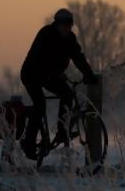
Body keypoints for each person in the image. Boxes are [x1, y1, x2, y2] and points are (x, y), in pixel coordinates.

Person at [20, 8, 98, 159]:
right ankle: (29, 143)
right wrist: (55, 73)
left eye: (69, 25)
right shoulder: (46, 34)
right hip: (32, 73)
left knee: (67, 95)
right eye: (63, 25)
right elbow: (40, 58)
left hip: (51, 75)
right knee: (40, 104)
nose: (66, 28)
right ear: (56, 24)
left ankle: (63, 132)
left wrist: (89, 75)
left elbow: (78, 58)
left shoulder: (70, 39)